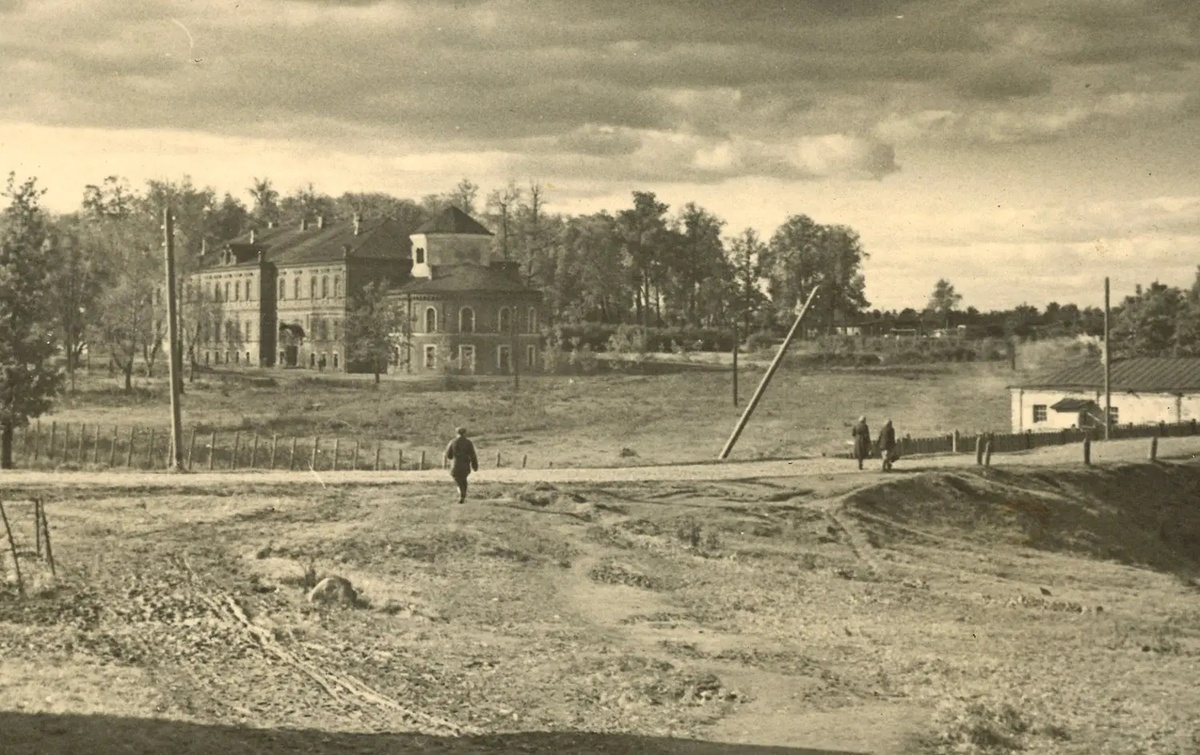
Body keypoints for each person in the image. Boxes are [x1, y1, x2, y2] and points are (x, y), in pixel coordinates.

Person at [444, 426, 479, 504]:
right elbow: (473, 455)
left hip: (455, 465)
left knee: (458, 480)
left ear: (457, 433)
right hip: (465, 465)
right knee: (464, 479)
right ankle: (463, 495)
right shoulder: (468, 442)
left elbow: (449, 455)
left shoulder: (452, 442)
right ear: (465, 433)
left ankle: (462, 494)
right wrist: (475, 465)